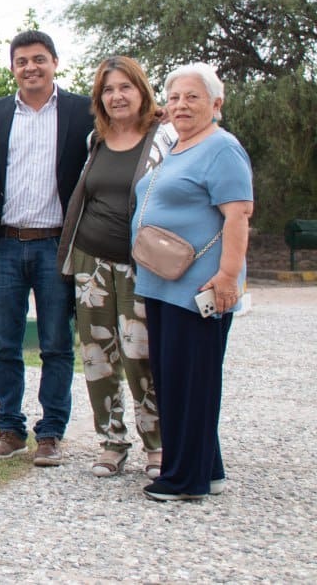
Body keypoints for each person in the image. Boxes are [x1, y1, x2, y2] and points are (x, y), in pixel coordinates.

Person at [131, 63, 252, 502]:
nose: (181, 105)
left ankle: (185, 479)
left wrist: (226, 277)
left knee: (192, 381)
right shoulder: (181, 146)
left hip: (197, 288)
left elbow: (238, 214)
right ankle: (208, 468)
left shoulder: (222, 149)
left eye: (193, 97)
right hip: (164, 283)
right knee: (177, 378)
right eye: (176, 97)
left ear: (216, 105)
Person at [0, 29, 93, 466]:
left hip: (56, 246)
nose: (30, 67)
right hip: (5, 244)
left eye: (39, 59)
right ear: (12, 68)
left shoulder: (83, 112)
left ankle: (51, 433)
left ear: (55, 63)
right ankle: (9, 429)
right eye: (22, 61)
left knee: (56, 344)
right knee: (4, 344)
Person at [57, 56, 174, 479]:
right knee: (95, 356)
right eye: (108, 90)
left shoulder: (164, 137)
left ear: (141, 91)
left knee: (139, 353)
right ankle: (111, 442)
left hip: (139, 264)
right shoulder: (97, 140)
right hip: (91, 259)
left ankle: (157, 445)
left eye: (125, 87)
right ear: (99, 98)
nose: (116, 96)